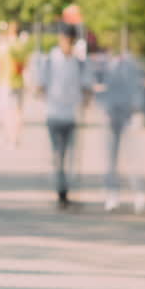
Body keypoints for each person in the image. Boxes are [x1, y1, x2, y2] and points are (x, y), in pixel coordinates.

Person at [35, 24, 92, 209]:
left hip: (71, 115)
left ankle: (65, 191)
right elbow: (39, 86)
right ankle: (62, 194)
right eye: (65, 39)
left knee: (70, 156)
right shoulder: (50, 60)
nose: (67, 43)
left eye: (70, 40)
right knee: (59, 155)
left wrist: (85, 98)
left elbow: (86, 87)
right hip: (53, 114)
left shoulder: (79, 63)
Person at [100, 49, 145, 214]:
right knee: (112, 159)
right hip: (113, 115)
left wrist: (138, 111)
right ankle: (112, 194)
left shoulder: (132, 65)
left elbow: (138, 88)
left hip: (128, 116)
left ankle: (138, 195)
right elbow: (102, 91)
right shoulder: (107, 65)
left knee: (132, 158)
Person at [0, 21, 28, 148]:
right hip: (19, 82)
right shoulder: (22, 45)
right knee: (18, 111)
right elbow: (25, 65)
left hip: (5, 82)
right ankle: (16, 137)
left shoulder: (3, 46)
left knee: (6, 110)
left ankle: (9, 136)